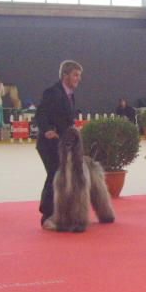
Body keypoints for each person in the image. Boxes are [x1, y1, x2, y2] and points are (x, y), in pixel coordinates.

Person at [35, 60, 83, 226]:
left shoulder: (70, 94)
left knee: (61, 176)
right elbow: (40, 114)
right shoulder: (52, 92)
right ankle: (47, 216)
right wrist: (47, 129)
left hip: (62, 145)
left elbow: (64, 119)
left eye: (79, 75)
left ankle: (59, 213)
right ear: (65, 75)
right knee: (55, 175)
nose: (78, 78)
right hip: (48, 144)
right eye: (75, 75)